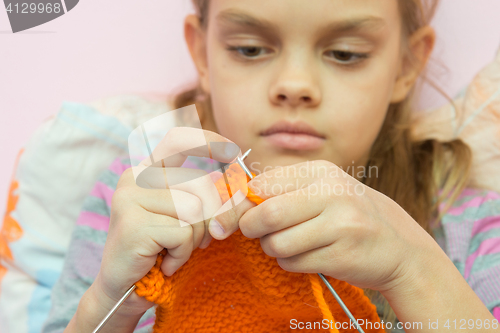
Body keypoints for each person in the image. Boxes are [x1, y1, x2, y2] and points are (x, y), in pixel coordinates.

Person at [41, 0, 500, 332]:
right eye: (249, 48)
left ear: (406, 65)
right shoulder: (141, 194)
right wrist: (108, 301)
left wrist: (412, 268)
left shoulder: (470, 226)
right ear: (202, 54)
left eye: (345, 53)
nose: (294, 85)